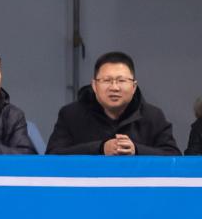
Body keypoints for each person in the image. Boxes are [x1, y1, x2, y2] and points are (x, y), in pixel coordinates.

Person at [46, 51, 179, 155]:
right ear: (94, 85)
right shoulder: (71, 115)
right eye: (106, 80)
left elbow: (174, 157)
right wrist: (101, 148)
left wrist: (136, 150)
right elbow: (53, 156)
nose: (114, 87)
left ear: (133, 86)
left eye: (121, 81)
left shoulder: (153, 116)